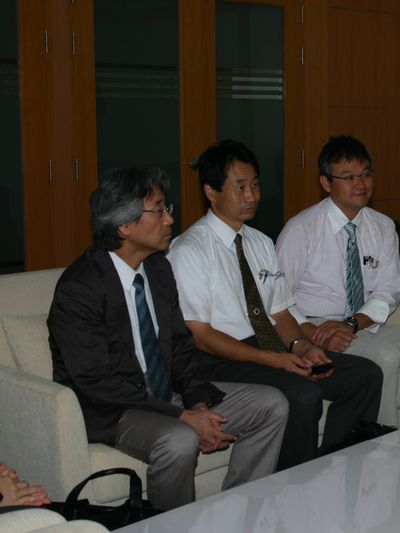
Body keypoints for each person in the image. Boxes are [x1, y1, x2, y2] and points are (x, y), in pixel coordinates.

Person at [48, 168, 288, 511]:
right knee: (179, 440)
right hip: (114, 409)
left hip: (165, 395)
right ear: (124, 226)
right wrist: (181, 416)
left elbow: (180, 347)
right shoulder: (80, 288)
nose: (170, 219)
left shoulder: (158, 268)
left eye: (166, 208)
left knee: (271, 404)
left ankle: (242, 511)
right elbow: (95, 380)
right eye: (159, 210)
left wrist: (198, 403)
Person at [168, 140, 382, 470]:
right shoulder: (189, 250)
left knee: (364, 374)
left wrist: (302, 346)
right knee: (302, 392)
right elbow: (200, 335)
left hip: (264, 346)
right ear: (211, 191)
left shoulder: (260, 242)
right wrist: (274, 360)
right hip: (217, 357)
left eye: (255, 185)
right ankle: (294, 484)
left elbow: (279, 312)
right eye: (240, 187)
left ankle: (338, 469)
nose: (251, 196)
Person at [275, 135, 400, 427]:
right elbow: (277, 297)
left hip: (359, 325)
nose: (360, 184)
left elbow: (389, 290)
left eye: (365, 174)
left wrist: (351, 324)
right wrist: (314, 332)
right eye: (348, 177)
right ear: (326, 183)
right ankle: (379, 442)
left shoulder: (382, 226)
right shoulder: (301, 229)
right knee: (384, 356)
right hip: (314, 327)